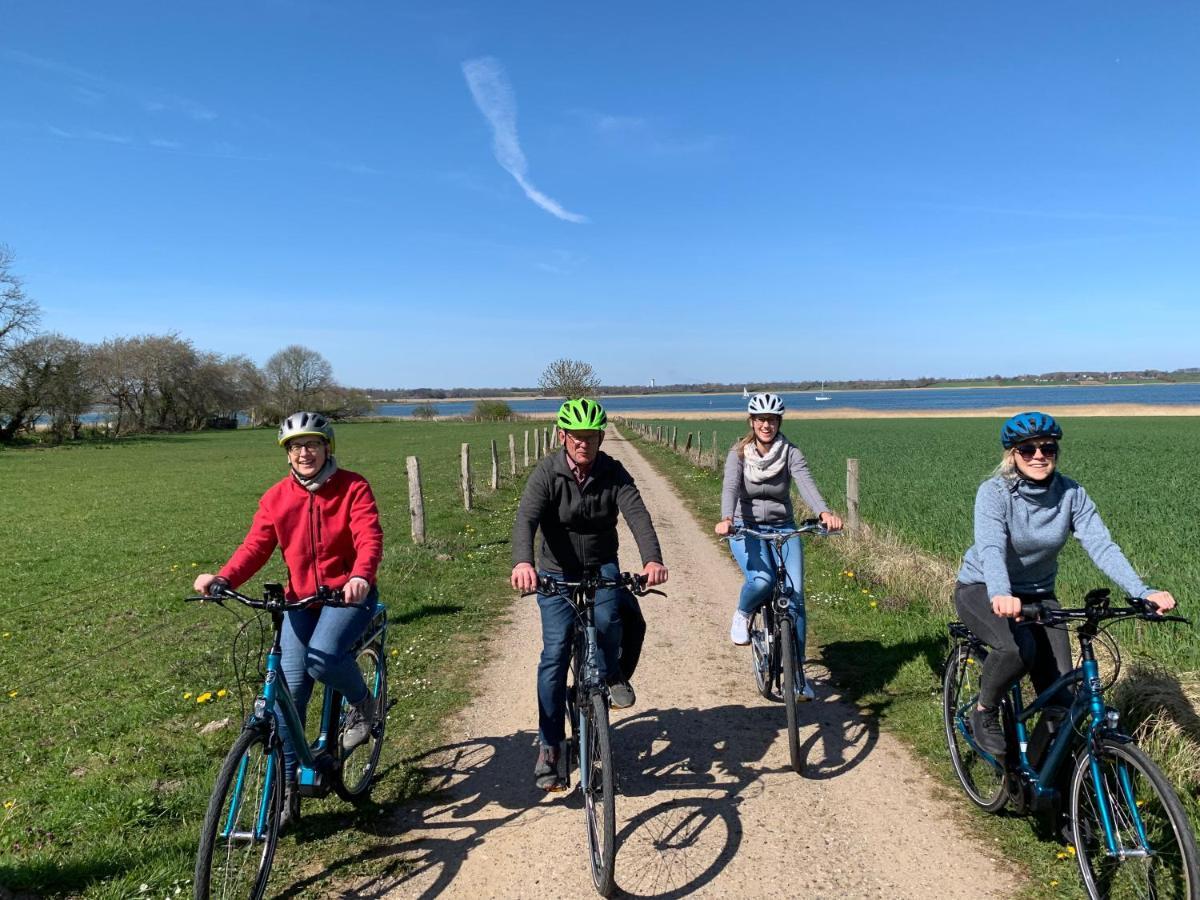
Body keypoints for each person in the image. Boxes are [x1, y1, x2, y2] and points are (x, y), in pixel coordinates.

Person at [193, 411, 384, 827]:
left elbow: (369, 537)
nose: (304, 453)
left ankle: (366, 707)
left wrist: (359, 576)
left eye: (312, 444)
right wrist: (223, 577)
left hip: (348, 596)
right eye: (296, 447)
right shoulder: (276, 498)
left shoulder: (353, 487)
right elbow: (256, 546)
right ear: (287, 454)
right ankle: (288, 794)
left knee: (324, 657)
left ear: (327, 447)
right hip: (301, 602)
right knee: (287, 701)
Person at [956, 411, 1175, 757]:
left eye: (1047, 448)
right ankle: (984, 712)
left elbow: (1101, 544)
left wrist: (1141, 591)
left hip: (1039, 594)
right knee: (1016, 650)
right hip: (983, 587)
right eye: (1027, 449)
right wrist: (1001, 592)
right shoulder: (995, 492)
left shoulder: (1071, 493)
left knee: (1061, 700)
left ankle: (1044, 782)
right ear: (1012, 455)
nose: (1039, 455)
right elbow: (991, 547)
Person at [511, 398, 668, 790]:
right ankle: (549, 744)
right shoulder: (547, 473)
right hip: (556, 572)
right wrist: (523, 563)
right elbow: (526, 518)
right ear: (563, 436)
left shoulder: (612, 472)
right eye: (577, 436)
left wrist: (652, 559)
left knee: (618, 618)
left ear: (601, 437)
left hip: (601, 565)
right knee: (555, 652)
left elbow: (637, 514)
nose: (584, 443)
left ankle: (610, 674)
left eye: (592, 437)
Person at [714, 392, 843, 700]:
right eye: (760, 419)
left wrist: (824, 513)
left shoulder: (790, 453)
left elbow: (806, 484)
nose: (766, 425)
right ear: (751, 422)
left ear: (779, 422)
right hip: (746, 528)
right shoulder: (739, 454)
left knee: (795, 597)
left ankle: (796, 677)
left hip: (784, 527)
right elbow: (730, 486)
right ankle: (744, 613)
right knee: (763, 580)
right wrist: (727, 518)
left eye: (772, 420)